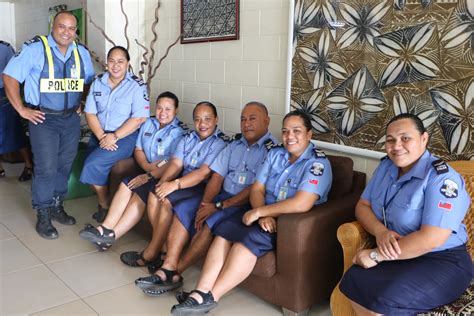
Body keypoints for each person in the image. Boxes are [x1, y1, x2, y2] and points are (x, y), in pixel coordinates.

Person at [170, 110, 333, 314]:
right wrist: (261, 213)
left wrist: (263, 213)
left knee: (244, 243)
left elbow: (302, 203)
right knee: (223, 233)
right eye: (285, 131)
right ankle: (200, 291)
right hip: (263, 214)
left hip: (287, 222)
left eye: (296, 131)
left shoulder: (317, 164)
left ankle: (211, 297)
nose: (289, 136)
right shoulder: (276, 153)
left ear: (309, 134)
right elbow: (257, 188)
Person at [135, 101, 278, 296]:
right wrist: (206, 204)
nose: (246, 124)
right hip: (222, 196)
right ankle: (168, 264)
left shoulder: (273, 151)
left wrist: (218, 206)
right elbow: (217, 177)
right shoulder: (235, 144)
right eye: (243, 119)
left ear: (267, 121)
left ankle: (174, 273)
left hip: (244, 202)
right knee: (185, 208)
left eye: (252, 119)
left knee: (210, 221)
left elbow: (255, 189)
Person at [338, 113, 471, 315]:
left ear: (424, 139)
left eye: (405, 138)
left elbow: (431, 239)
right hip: (399, 252)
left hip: (442, 260)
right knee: (353, 279)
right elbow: (362, 206)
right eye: (390, 140)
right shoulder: (385, 167)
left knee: (385, 298)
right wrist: (380, 232)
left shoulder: (442, 179)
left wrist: (376, 255)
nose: (396, 146)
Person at [3, 11, 95, 239]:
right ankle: (43, 213)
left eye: (71, 28)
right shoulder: (35, 49)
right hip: (43, 119)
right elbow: (9, 77)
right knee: (46, 167)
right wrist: (21, 109)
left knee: (64, 165)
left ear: (76, 32)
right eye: (62, 26)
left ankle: (57, 205)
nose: (66, 32)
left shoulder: (81, 52)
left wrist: (83, 100)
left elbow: (89, 81)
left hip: (70, 119)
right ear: (52, 27)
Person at [120, 101, 228, 272]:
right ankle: (162, 249)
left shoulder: (220, 143)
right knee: (156, 193)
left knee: (166, 200)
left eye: (207, 119)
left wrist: (174, 185)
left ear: (216, 120)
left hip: (200, 187)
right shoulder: (188, 137)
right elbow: (176, 164)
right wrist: (163, 183)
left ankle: (151, 252)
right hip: (184, 182)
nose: (202, 124)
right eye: (198, 119)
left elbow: (203, 174)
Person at [79, 91, 187, 251]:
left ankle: (109, 237)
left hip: (165, 175)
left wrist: (151, 173)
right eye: (159, 108)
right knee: (126, 184)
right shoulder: (148, 123)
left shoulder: (180, 132)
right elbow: (138, 149)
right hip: (147, 170)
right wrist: (147, 167)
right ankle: (105, 228)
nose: (162, 113)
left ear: (176, 110)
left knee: (139, 193)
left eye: (168, 109)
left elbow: (172, 161)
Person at [79, 46, 149, 223]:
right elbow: (90, 113)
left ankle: (104, 205)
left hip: (126, 137)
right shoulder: (98, 82)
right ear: (106, 63)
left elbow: (139, 117)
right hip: (100, 134)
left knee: (91, 164)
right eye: (112, 61)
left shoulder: (137, 86)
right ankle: (107, 203)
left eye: (120, 61)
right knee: (88, 166)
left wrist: (115, 136)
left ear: (127, 64)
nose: (115, 65)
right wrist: (103, 136)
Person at [0, 40, 34, 181]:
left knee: (14, 131)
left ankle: (29, 166)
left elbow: (14, 75)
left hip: (4, 94)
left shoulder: (5, 48)